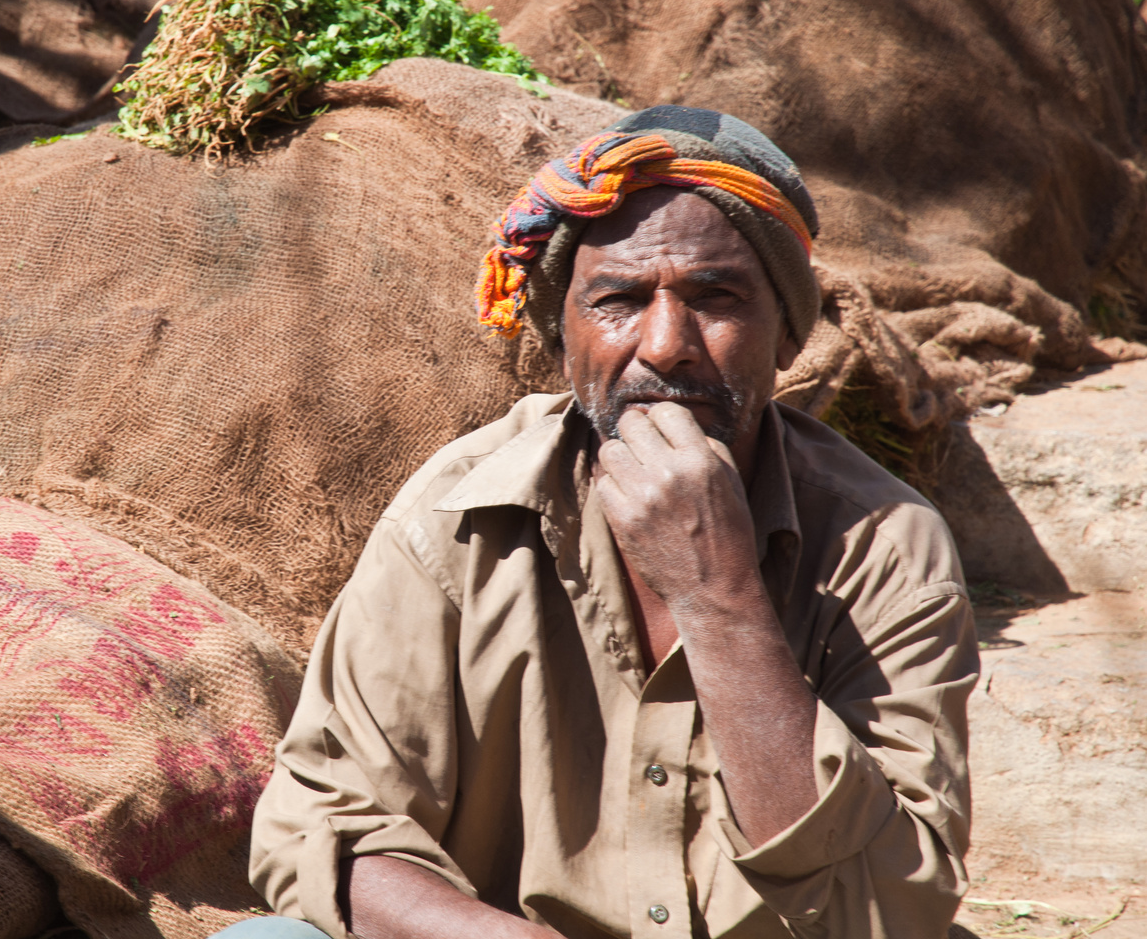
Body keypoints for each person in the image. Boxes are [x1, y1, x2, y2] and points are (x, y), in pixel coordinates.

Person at [234, 106, 978, 939]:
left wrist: (718, 597)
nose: (666, 346)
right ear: (561, 337)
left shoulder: (885, 544)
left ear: (787, 336)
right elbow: (323, 832)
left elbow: (892, 907)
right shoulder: (457, 519)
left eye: (717, 297)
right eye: (619, 299)